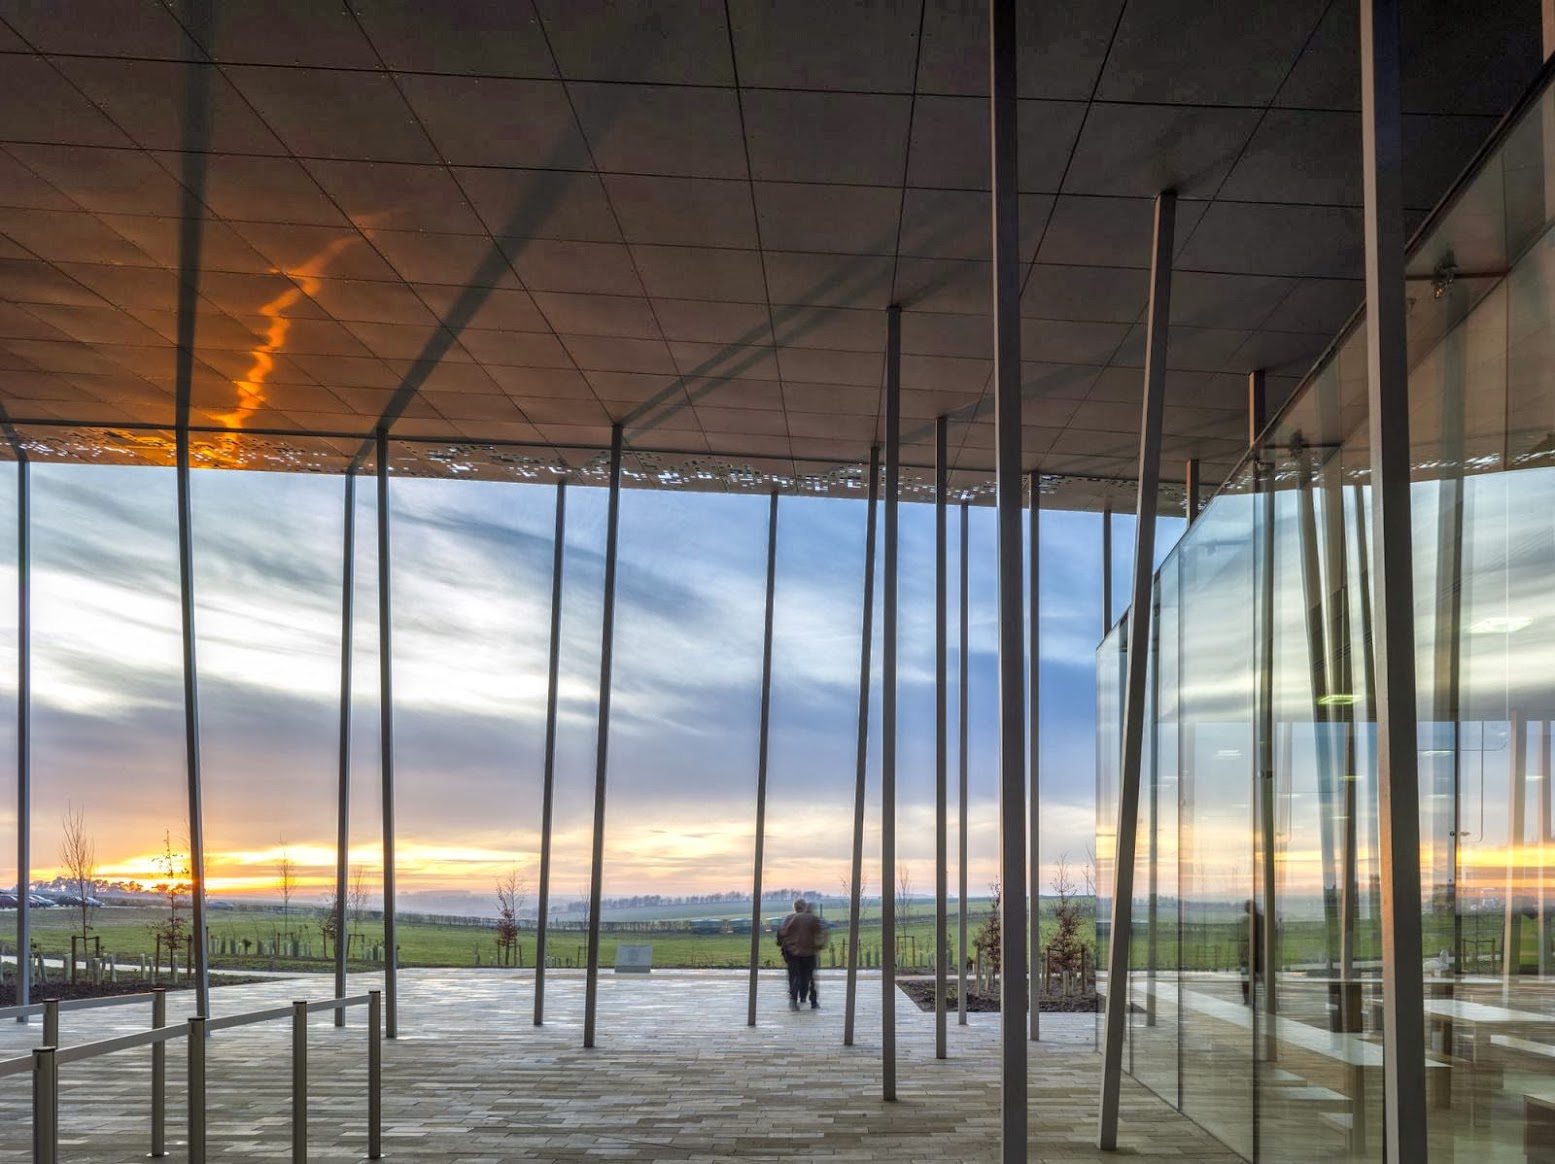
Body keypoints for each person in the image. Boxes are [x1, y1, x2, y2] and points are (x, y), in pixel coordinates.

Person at [777, 898, 827, 1010]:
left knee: (795, 975)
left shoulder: (790, 918)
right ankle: (812, 1001)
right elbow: (821, 932)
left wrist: (785, 944)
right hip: (809, 951)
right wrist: (819, 945)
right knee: (810, 976)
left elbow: (782, 933)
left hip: (792, 952)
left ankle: (793, 999)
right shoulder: (813, 918)